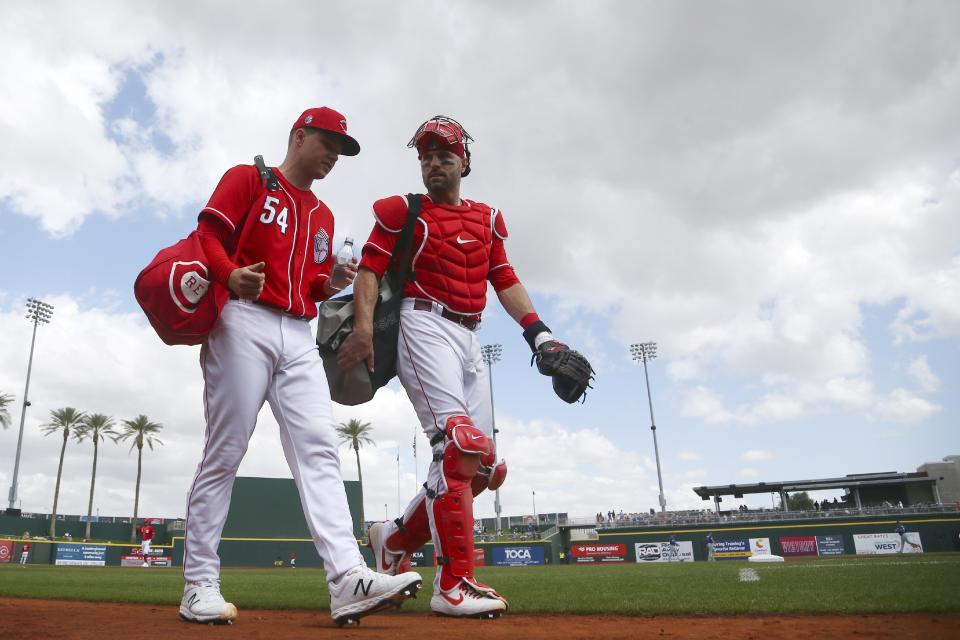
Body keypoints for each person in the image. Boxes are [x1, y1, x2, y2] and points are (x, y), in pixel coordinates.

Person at [340, 115, 592, 619]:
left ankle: (391, 539)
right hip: (423, 322)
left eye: (444, 156)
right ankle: (453, 585)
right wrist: (363, 329)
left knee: (486, 468)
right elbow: (369, 268)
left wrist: (539, 334)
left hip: (470, 335)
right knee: (459, 448)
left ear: (465, 163)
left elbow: (503, 276)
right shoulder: (401, 211)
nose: (433, 163)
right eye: (426, 157)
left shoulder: (488, 219)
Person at [180, 106, 422, 626]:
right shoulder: (248, 179)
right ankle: (199, 583)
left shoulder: (324, 215)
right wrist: (228, 275)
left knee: (319, 447)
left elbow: (311, 285)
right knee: (226, 450)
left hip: (297, 332)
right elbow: (207, 236)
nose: (334, 155)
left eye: (342, 150)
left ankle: (348, 579)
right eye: (328, 143)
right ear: (298, 135)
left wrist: (331, 280)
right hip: (242, 321)